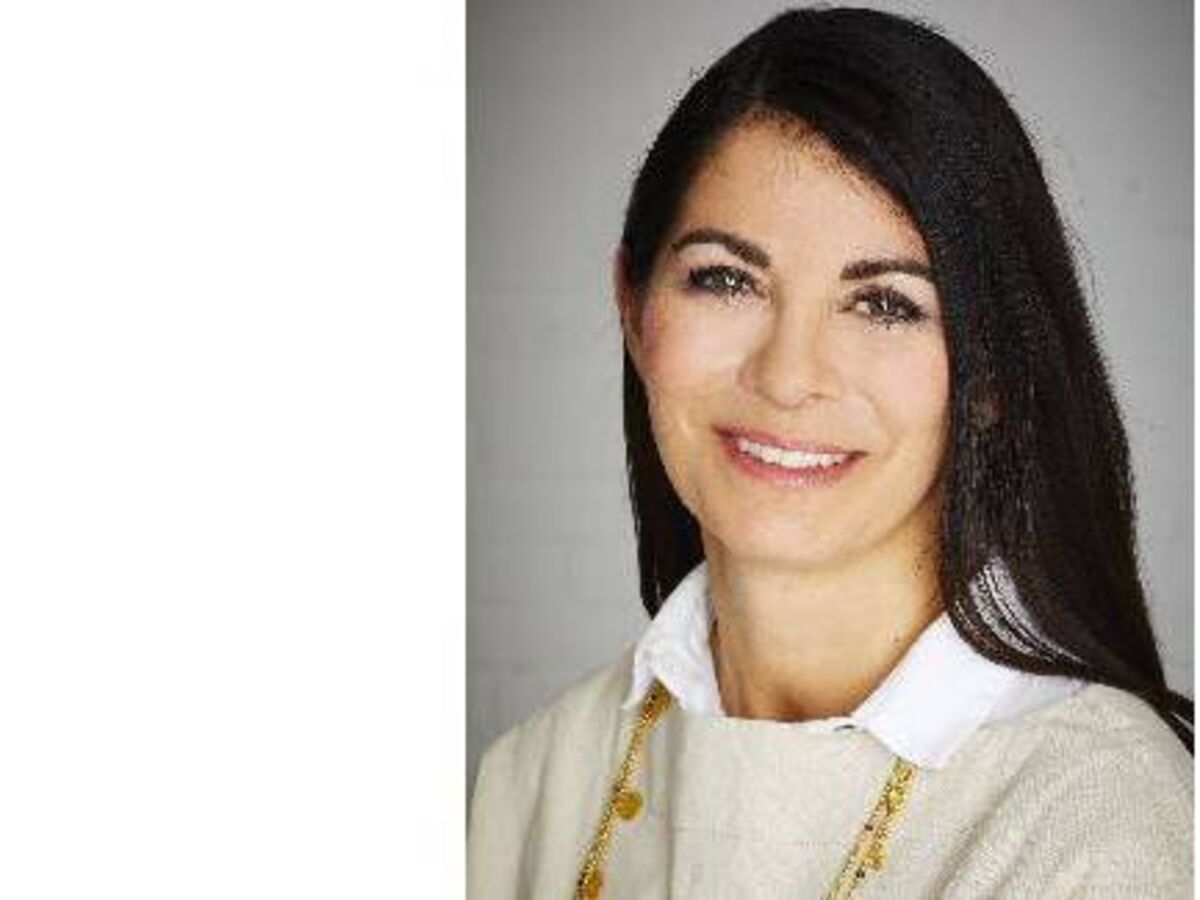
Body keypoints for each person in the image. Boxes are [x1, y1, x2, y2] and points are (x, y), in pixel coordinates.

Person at [468, 7, 1193, 898]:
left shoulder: (1104, 828)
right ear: (633, 305)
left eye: (885, 303)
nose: (787, 377)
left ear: (993, 375)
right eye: (725, 279)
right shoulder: (529, 783)